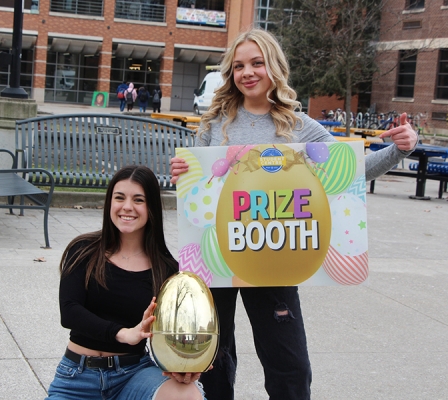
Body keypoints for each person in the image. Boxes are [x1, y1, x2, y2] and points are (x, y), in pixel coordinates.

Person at [170, 28, 418, 400]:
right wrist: (183, 174)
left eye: (257, 63)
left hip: (275, 257)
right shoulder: (214, 125)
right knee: (213, 360)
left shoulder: (300, 127)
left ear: (274, 68)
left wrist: (400, 150)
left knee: (290, 366)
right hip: (217, 257)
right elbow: (200, 190)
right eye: (238, 66)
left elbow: (350, 169)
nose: (247, 72)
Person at [47, 165, 205, 400]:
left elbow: (174, 332)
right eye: (119, 198)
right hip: (77, 377)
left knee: (187, 394)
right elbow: (69, 312)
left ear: (151, 207)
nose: (127, 207)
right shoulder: (83, 250)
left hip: (135, 374)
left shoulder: (167, 269)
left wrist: (189, 364)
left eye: (138, 200)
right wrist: (123, 333)